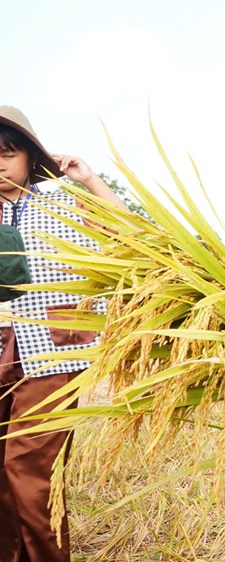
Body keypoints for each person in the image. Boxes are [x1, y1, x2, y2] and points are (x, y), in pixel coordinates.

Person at [0, 106, 127, 562]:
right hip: (2, 350)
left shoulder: (61, 203)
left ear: (31, 157)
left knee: (28, 470)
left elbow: (127, 233)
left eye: (8, 154)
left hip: (52, 354)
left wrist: (89, 179)